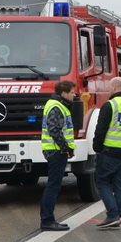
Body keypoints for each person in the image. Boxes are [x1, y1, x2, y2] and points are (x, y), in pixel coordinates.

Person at [92, 76, 121, 229]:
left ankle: (112, 215)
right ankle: (117, 214)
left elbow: (101, 130)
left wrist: (97, 147)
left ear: (113, 88)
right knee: (119, 184)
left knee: (102, 181)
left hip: (110, 151)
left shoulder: (110, 105)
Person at [39, 80, 76, 231]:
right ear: (64, 93)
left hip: (55, 150)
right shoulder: (57, 106)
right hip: (56, 151)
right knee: (53, 186)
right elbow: (54, 130)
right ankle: (47, 220)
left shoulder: (57, 105)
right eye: (72, 92)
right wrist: (65, 147)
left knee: (53, 186)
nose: (74, 95)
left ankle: (49, 219)